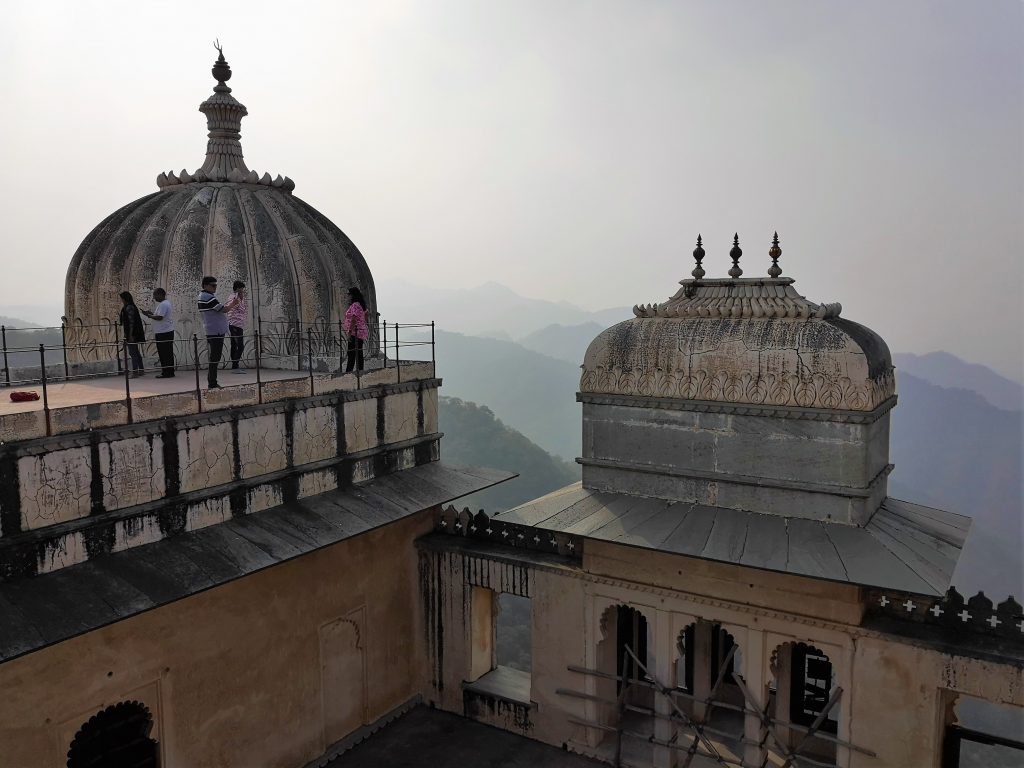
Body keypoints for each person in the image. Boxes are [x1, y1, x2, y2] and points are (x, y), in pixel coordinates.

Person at [197, 276, 238, 389]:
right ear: (205, 286)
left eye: (216, 285)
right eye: (212, 285)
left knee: (214, 357)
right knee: (215, 357)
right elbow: (223, 309)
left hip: (213, 330)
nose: (215, 287)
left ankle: (212, 380)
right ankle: (212, 382)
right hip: (215, 331)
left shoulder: (206, 296)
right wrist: (233, 304)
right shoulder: (207, 297)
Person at [141, 288, 175, 378]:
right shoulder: (164, 304)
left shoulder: (164, 304)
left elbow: (160, 317)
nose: (154, 297)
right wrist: (151, 314)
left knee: (164, 353)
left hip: (164, 332)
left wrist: (149, 315)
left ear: (160, 294)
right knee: (167, 353)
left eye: (155, 295)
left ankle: (166, 372)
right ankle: (169, 372)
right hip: (165, 331)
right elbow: (159, 316)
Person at [118, 291, 146, 377]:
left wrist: (130, 335)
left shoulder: (129, 307)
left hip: (132, 334)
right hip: (133, 333)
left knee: (133, 352)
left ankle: (135, 371)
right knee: (136, 352)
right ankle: (141, 369)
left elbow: (131, 322)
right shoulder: (129, 306)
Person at [343, 287, 369, 373]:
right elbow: (366, 315)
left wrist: (350, 332)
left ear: (353, 295)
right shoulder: (361, 304)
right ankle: (360, 371)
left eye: (349, 294)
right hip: (361, 332)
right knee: (359, 353)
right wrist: (362, 323)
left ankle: (348, 372)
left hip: (355, 332)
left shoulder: (354, 305)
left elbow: (354, 318)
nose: (348, 296)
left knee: (351, 353)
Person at [227, 280, 247, 372]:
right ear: (238, 288)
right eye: (241, 288)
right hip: (234, 324)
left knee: (234, 345)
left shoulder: (240, 297)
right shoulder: (233, 297)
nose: (242, 290)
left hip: (239, 324)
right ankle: (235, 365)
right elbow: (231, 308)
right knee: (239, 345)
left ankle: (235, 365)